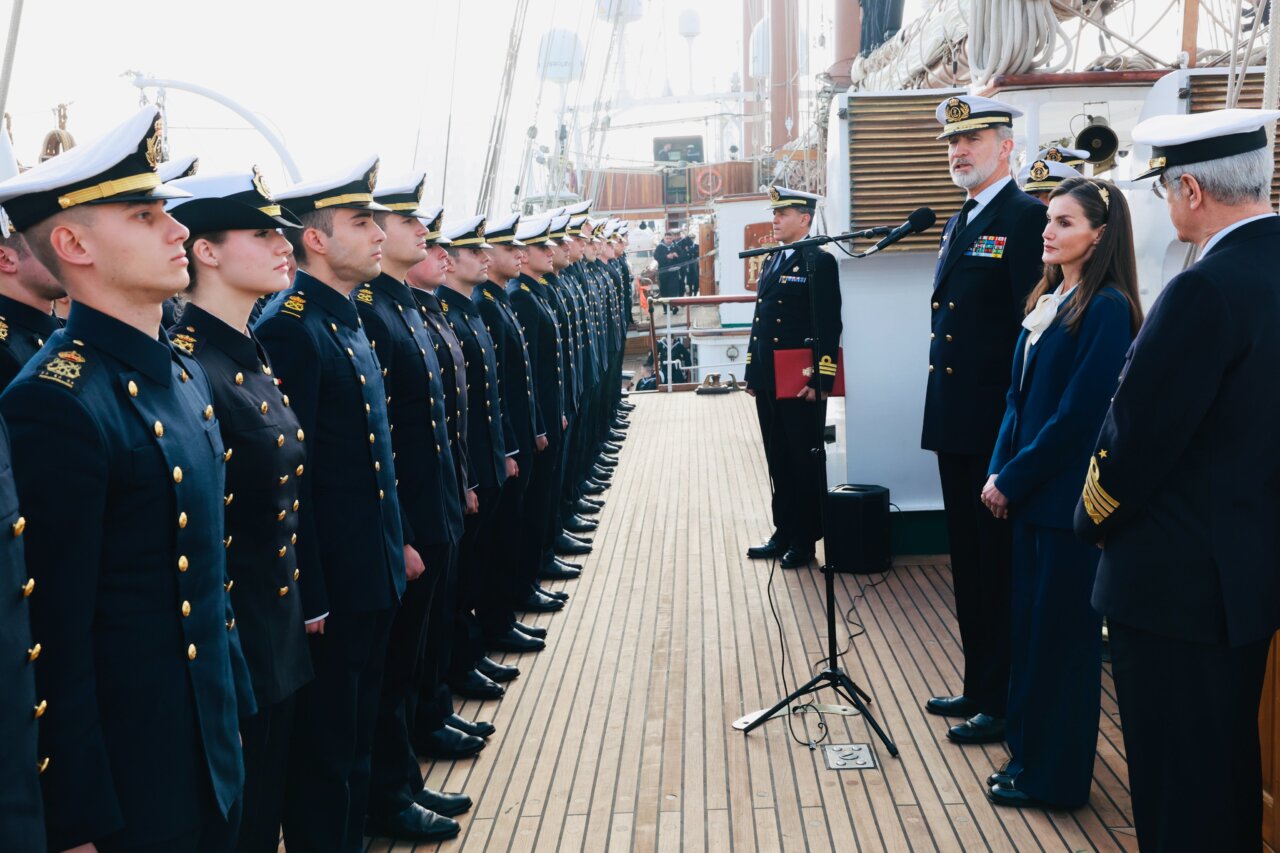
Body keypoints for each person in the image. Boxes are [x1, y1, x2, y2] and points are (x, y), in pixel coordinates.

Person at [0, 107, 255, 852]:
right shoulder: (54, 401)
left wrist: (236, 711)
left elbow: (211, 581)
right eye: (145, 215)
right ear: (73, 243)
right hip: (133, 788)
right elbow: (52, 635)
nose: (177, 231)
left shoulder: (179, 372)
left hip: (211, 748)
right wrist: (76, 818)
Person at [1074, 107, 1280, 850]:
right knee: (1227, 771)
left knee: (1177, 787)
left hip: (1174, 591)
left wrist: (1089, 517)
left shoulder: (1204, 289)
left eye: (1165, 189)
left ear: (1191, 189)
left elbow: (1137, 438)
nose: (1166, 204)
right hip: (1249, 579)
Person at [254, 156, 408, 852]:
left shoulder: (346, 321)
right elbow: (299, 477)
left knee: (357, 737)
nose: (377, 232)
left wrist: (394, 547)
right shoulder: (293, 327)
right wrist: (311, 593)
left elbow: (378, 458)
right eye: (360, 220)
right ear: (316, 239)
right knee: (324, 762)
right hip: (334, 590)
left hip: (369, 573)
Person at [162, 168, 317, 852]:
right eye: (261, 233)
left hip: (274, 634)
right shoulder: (192, 365)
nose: (283, 245)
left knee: (270, 808)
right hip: (237, 646)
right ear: (207, 251)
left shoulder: (244, 352)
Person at [979, 176, 1142, 810]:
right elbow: (1017, 401)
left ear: (1099, 236)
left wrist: (1013, 477)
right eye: (1049, 220)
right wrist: (998, 473)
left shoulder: (1105, 309)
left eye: (1065, 223)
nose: (1049, 231)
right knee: (1031, 637)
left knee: (1064, 648)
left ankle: (1058, 778)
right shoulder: (1052, 297)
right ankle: (1027, 756)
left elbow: (1077, 418)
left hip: (1063, 509)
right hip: (1027, 499)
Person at [920, 96, 1046, 746]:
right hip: (955, 419)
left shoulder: (1026, 219)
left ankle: (999, 699)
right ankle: (978, 682)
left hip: (994, 421)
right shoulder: (964, 218)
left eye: (972, 140)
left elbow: (1029, 330)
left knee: (995, 567)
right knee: (966, 562)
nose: (958, 151)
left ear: (1006, 147)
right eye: (952, 142)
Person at [355, 173, 469, 842]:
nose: (416, 230)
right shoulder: (371, 310)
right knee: (393, 668)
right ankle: (389, 792)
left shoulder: (401, 308)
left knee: (409, 659)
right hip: (405, 519)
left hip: (430, 506)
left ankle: (403, 778)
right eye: (404, 221)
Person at [404, 210, 501, 762]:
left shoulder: (422, 312)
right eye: (431, 244)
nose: (438, 253)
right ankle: (412, 748)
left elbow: (450, 418)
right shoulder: (381, 316)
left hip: (442, 494)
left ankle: (435, 711)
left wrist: (460, 480)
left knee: (437, 619)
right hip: (410, 515)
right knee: (404, 654)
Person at [742, 186, 842, 569]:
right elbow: (759, 323)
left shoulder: (820, 261)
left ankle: (805, 538)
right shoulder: (772, 259)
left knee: (804, 459)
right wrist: (753, 372)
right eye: (775, 213)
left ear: (804, 219)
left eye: (783, 214)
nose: (775, 219)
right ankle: (783, 529)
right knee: (778, 458)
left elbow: (830, 324)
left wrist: (821, 379)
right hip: (770, 377)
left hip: (800, 381)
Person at [0, 224, 64, 390]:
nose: (68, 252)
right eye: (48, 244)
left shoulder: (67, 328)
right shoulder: (4, 352)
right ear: (5, 259)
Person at [654, 229, 683, 312]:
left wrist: (677, 256)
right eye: (667, 239)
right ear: (664, 238)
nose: (669, 240)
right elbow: (656, 257)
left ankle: (674, 306)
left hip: (674, 272)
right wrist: (666, 257)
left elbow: (683, 257)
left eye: (670, 239)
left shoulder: (676, 246)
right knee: (664, 290)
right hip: (663, 272)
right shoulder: (660, 247)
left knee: (673, 289)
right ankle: (665, 308)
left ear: (672, 239)